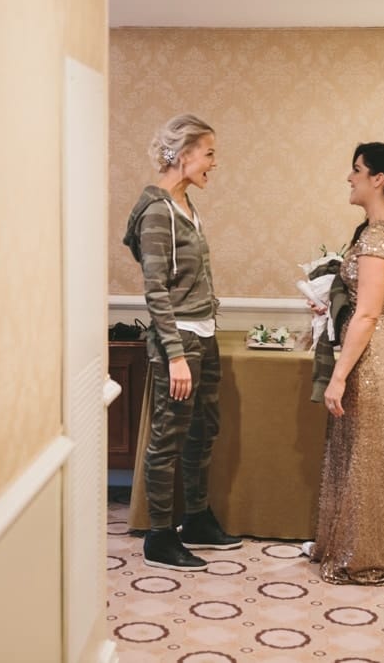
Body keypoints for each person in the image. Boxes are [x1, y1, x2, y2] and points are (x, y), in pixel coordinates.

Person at [303, 142, 384, 585]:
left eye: (357, 170)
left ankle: (364, 557)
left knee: (363, 456)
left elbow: (370, 312)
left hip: (373, 353)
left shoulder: (377, 235)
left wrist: (337, 377)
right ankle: (358, 544)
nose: (349, 177)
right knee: (368, 452)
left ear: (380, 179)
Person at [122, 114, 242, 571]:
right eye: (209, 153)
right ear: (185, 154)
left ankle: (194, 518)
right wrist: (174, 355)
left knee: (202, 431)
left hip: (203, 332)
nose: (214, 163)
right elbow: (155, 290)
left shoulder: (186, 206)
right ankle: (158, 535)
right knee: (168, 438)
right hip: (179, 341)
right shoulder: (158, 211)